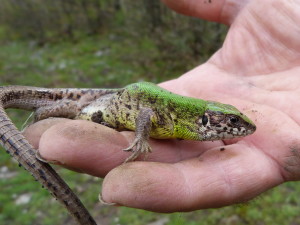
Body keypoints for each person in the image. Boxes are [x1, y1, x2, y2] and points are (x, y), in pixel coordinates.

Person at [24, 0, 300, 212]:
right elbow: (145, 112)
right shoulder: (178, 121)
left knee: (66, 130)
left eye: (235, 122)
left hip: (112, 103)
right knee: (61, 113)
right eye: (232, 122)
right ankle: (33, 119)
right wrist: (141, 139)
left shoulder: (189, 124)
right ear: (209, 119)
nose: (240, 127)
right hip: (98, 104)